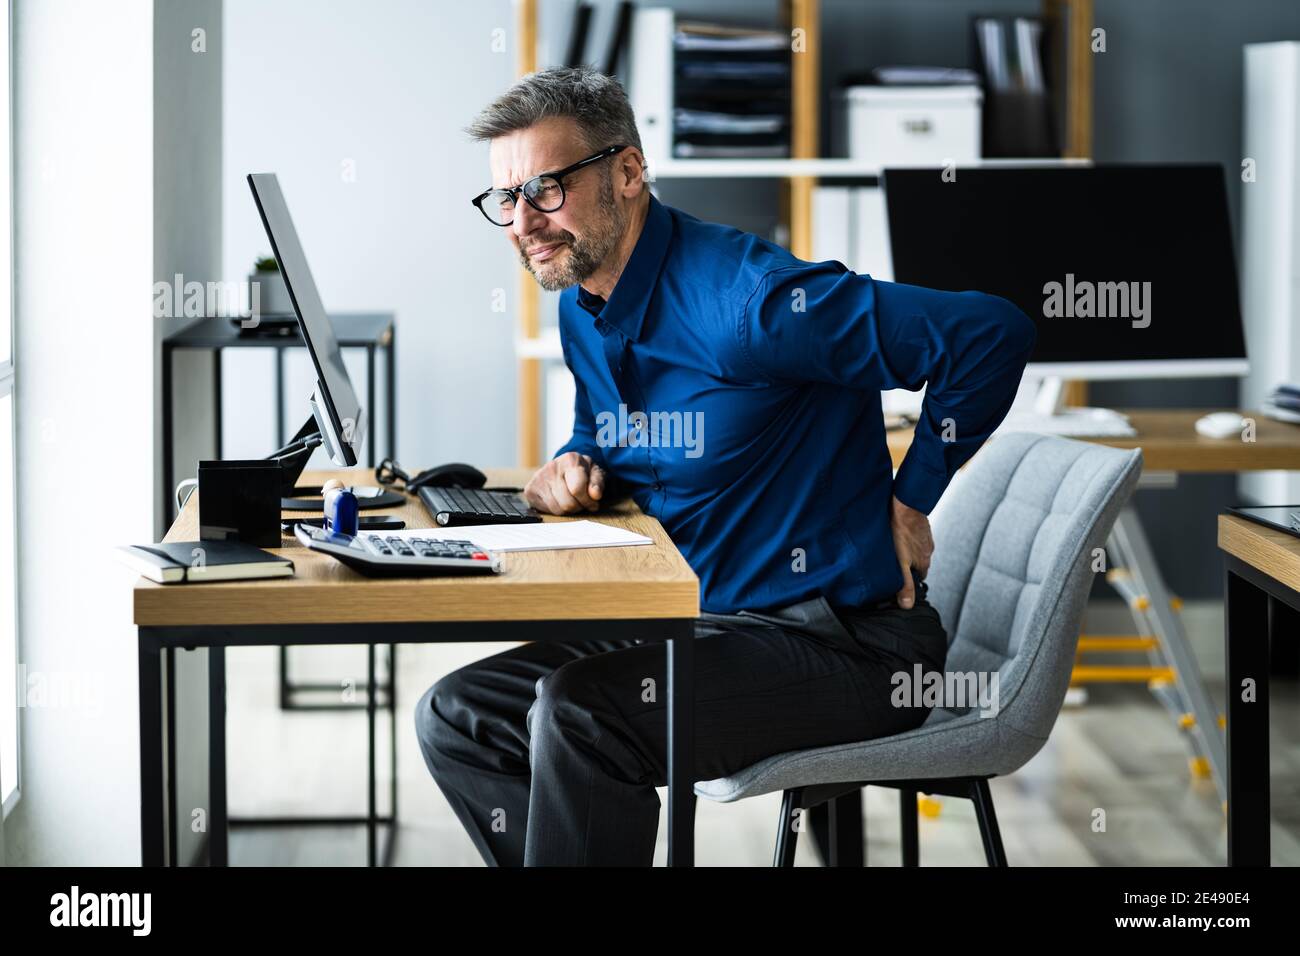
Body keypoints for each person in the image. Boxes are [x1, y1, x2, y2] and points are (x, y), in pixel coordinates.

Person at [415, 67, 1035, 866]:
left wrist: (912, 500)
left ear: (628, 172)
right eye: (506, 198)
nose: (523, 222)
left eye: (544, 187)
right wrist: (574, 465)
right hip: (698, 624)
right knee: (459, 714)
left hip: (847, 647)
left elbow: (991, 334)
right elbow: (604, 430)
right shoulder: (582, 300)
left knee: (580, 715)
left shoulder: (757, 307)